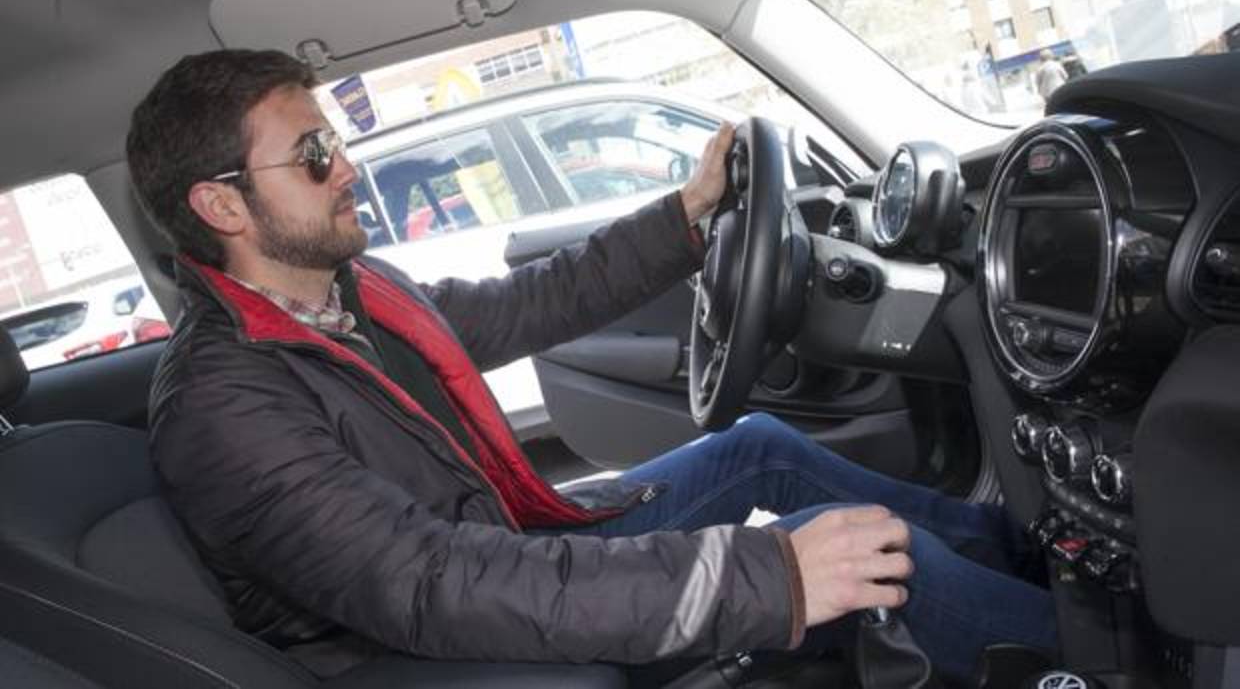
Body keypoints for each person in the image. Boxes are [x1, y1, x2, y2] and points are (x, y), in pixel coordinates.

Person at [127, 49, 1056, 683]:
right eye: (313, 154)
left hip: (499, 546)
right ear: (223, 206)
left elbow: (531, 302)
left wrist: (687, 216)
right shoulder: (222, 403)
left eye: (334, 144)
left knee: (761, 445)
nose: (347, 169)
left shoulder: (349, 294)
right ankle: (1096, 661)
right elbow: (427, 585)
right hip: (429, 649)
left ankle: (1040, 566)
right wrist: (773, 575)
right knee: (866, 551)